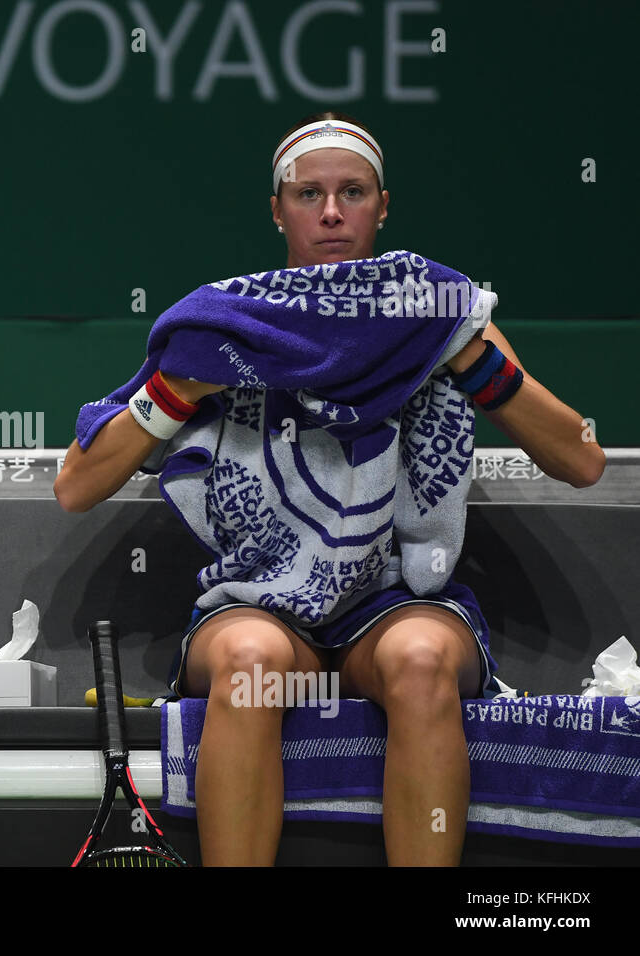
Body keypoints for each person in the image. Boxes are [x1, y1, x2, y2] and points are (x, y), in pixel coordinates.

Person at [54, 110, 606, 866]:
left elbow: (582, 459)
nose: (333, 212)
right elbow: (75, 486)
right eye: (309, 194)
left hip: (398, 604)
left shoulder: (434, 315)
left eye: (353, 192)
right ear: (278, 210)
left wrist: (469, 355)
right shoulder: (230, 324)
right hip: (262, 603)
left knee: (420, 662)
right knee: (250, 664)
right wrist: (180, 386)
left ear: (383, 206)